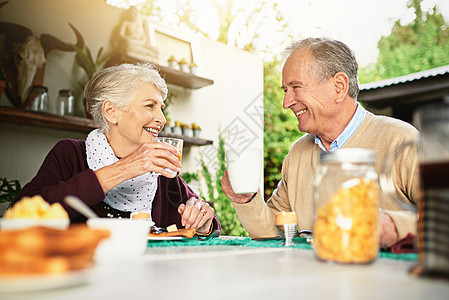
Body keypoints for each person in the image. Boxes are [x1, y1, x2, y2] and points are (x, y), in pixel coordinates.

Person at [221, 37, 419, 248]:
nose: (286, 103)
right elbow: (276, 234)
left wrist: (394, 226)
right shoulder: (298, 153)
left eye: (296, 87)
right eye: (285, 90)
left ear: (339, 87)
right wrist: (246, 200)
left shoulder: (401, 140)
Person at [13, 62, 220, 236]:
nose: (162, 119)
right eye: (149, 106)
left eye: (161, 108)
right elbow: (19, 215)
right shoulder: (70, 154)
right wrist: (126, 167)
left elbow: (211, 226)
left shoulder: (161, 171)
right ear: (111, 112)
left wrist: (203, 223)